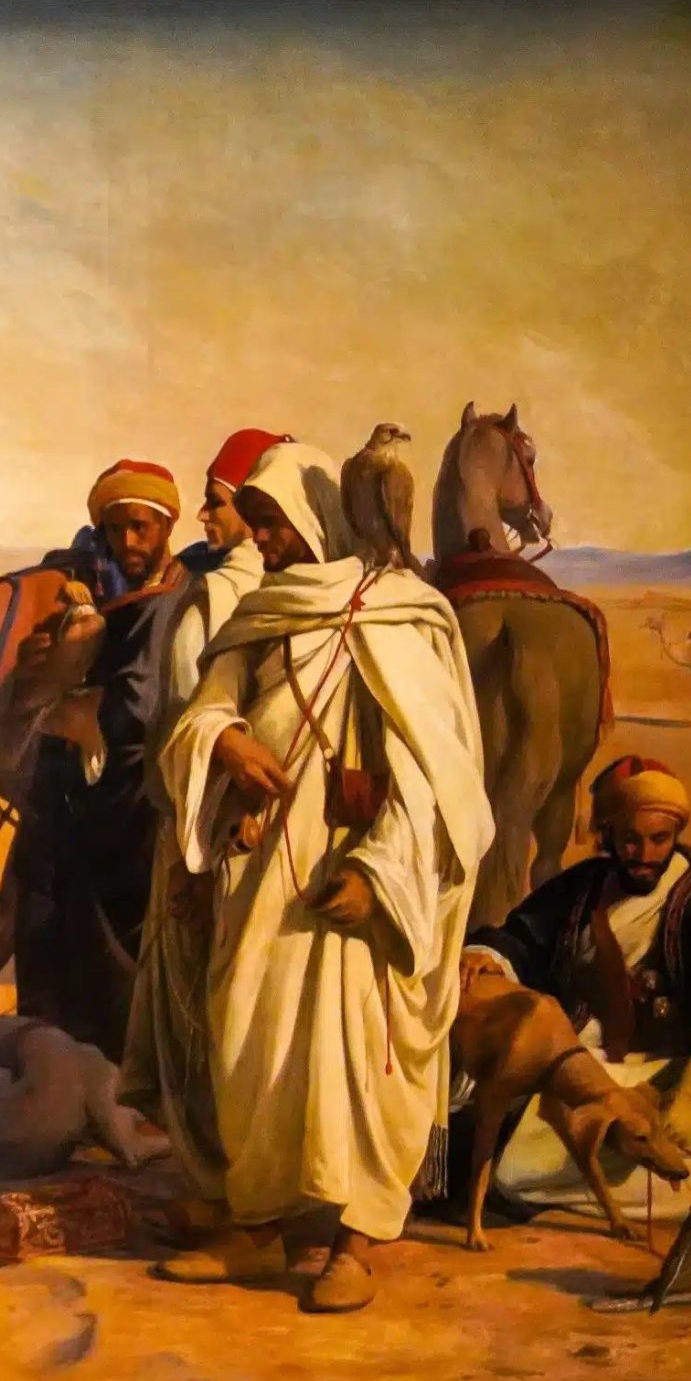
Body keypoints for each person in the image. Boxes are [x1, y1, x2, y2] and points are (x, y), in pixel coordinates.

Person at [152, 440, 493, 1312]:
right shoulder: (263, 613)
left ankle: (354, 1242)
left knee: (357, 1052)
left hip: (358, 875)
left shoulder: (402, 616)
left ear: (317, 519)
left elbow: (435, 772)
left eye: (272, 523)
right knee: (248, 1034)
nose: (262, 539)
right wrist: (226, 741)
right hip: (263, 870)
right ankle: (258, 1228)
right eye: (257, 522)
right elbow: (202, 715)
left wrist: (381, 874)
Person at [118, 427, 287, 1196]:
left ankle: (221, 1179)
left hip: (209, 828)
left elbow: (199, 720)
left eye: (218, 502)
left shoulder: (221, 595)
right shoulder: (241, 588)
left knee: (203, 999)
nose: (206, 517)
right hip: (228, 821)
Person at [9, 457, 195, 1060]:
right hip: (84, 791)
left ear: (168, 526)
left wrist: (72, 707)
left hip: (136, 802)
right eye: (116, 529)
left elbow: (138, 705)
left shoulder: (177, 597)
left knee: (120, 947)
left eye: (141, 527)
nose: (129, 542)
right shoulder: (110, 589)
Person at [464, 755, 691, 1211]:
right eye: (630, 839)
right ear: (609, 835)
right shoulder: (583, 886)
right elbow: (522, 938)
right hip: (580, 1066)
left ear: (676, 833)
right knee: (512, 1164)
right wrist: (486, 955)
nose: (644, 854)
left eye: (659, 839)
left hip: (665, 1072)